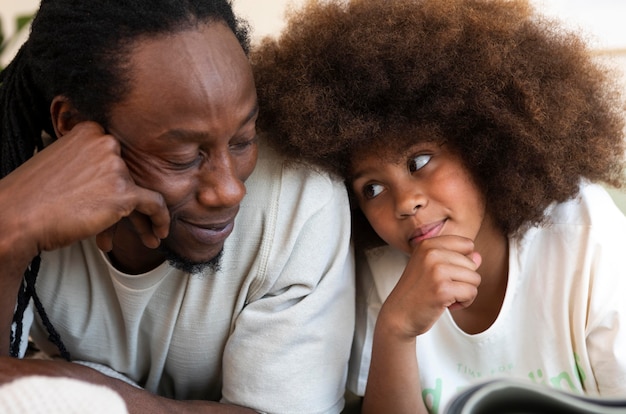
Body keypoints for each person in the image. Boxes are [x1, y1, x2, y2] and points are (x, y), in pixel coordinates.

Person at [251, 0, 626, 413]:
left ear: (481, 144)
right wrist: (396, 329)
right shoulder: (377, 274)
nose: (406, 203)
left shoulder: (586, 238)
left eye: (419, 162)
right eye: (372, 188)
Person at [0, 0, 355, 413]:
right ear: (72, 126)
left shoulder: (296, 201)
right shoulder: (16, 176)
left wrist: (84, 387)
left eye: (243, 140)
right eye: (182, 157)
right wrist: (9, 230)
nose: (228, 190)